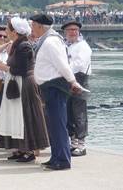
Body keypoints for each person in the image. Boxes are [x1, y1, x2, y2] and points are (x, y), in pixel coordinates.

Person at [31, 14, 82, 170]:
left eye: (33, 25)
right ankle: (56, 157)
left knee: (58, 124)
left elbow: (62, 65)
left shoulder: (51, 41)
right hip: (49, 86)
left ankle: (63, 160)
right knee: (53, 125)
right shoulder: (46, 40)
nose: (31, 28)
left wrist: (73, 81)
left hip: (55, 86)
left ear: (40, 26)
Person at [0, 17, 49, 162]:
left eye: (8, 29)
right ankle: (20, 148)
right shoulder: (17, 45)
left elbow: (21, 69)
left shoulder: (24, 46)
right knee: (16, 116)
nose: (6, 31)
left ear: (15, 31)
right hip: (17, 83)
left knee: (25, 117)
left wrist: (3, 67)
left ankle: (29, 150)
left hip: (24, 84)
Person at [62, 20, 92, 157]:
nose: (73, 32)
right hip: (68, 80)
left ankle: (82, 144)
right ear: (65, 32)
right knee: (69, 112)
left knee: (79, 112)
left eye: (75, 30)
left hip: (79, 79)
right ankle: (73, 142)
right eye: (70, 30)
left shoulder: (83, 46)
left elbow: (79, 64)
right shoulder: (65, 45)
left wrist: (64, 70)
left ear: (79, 32)